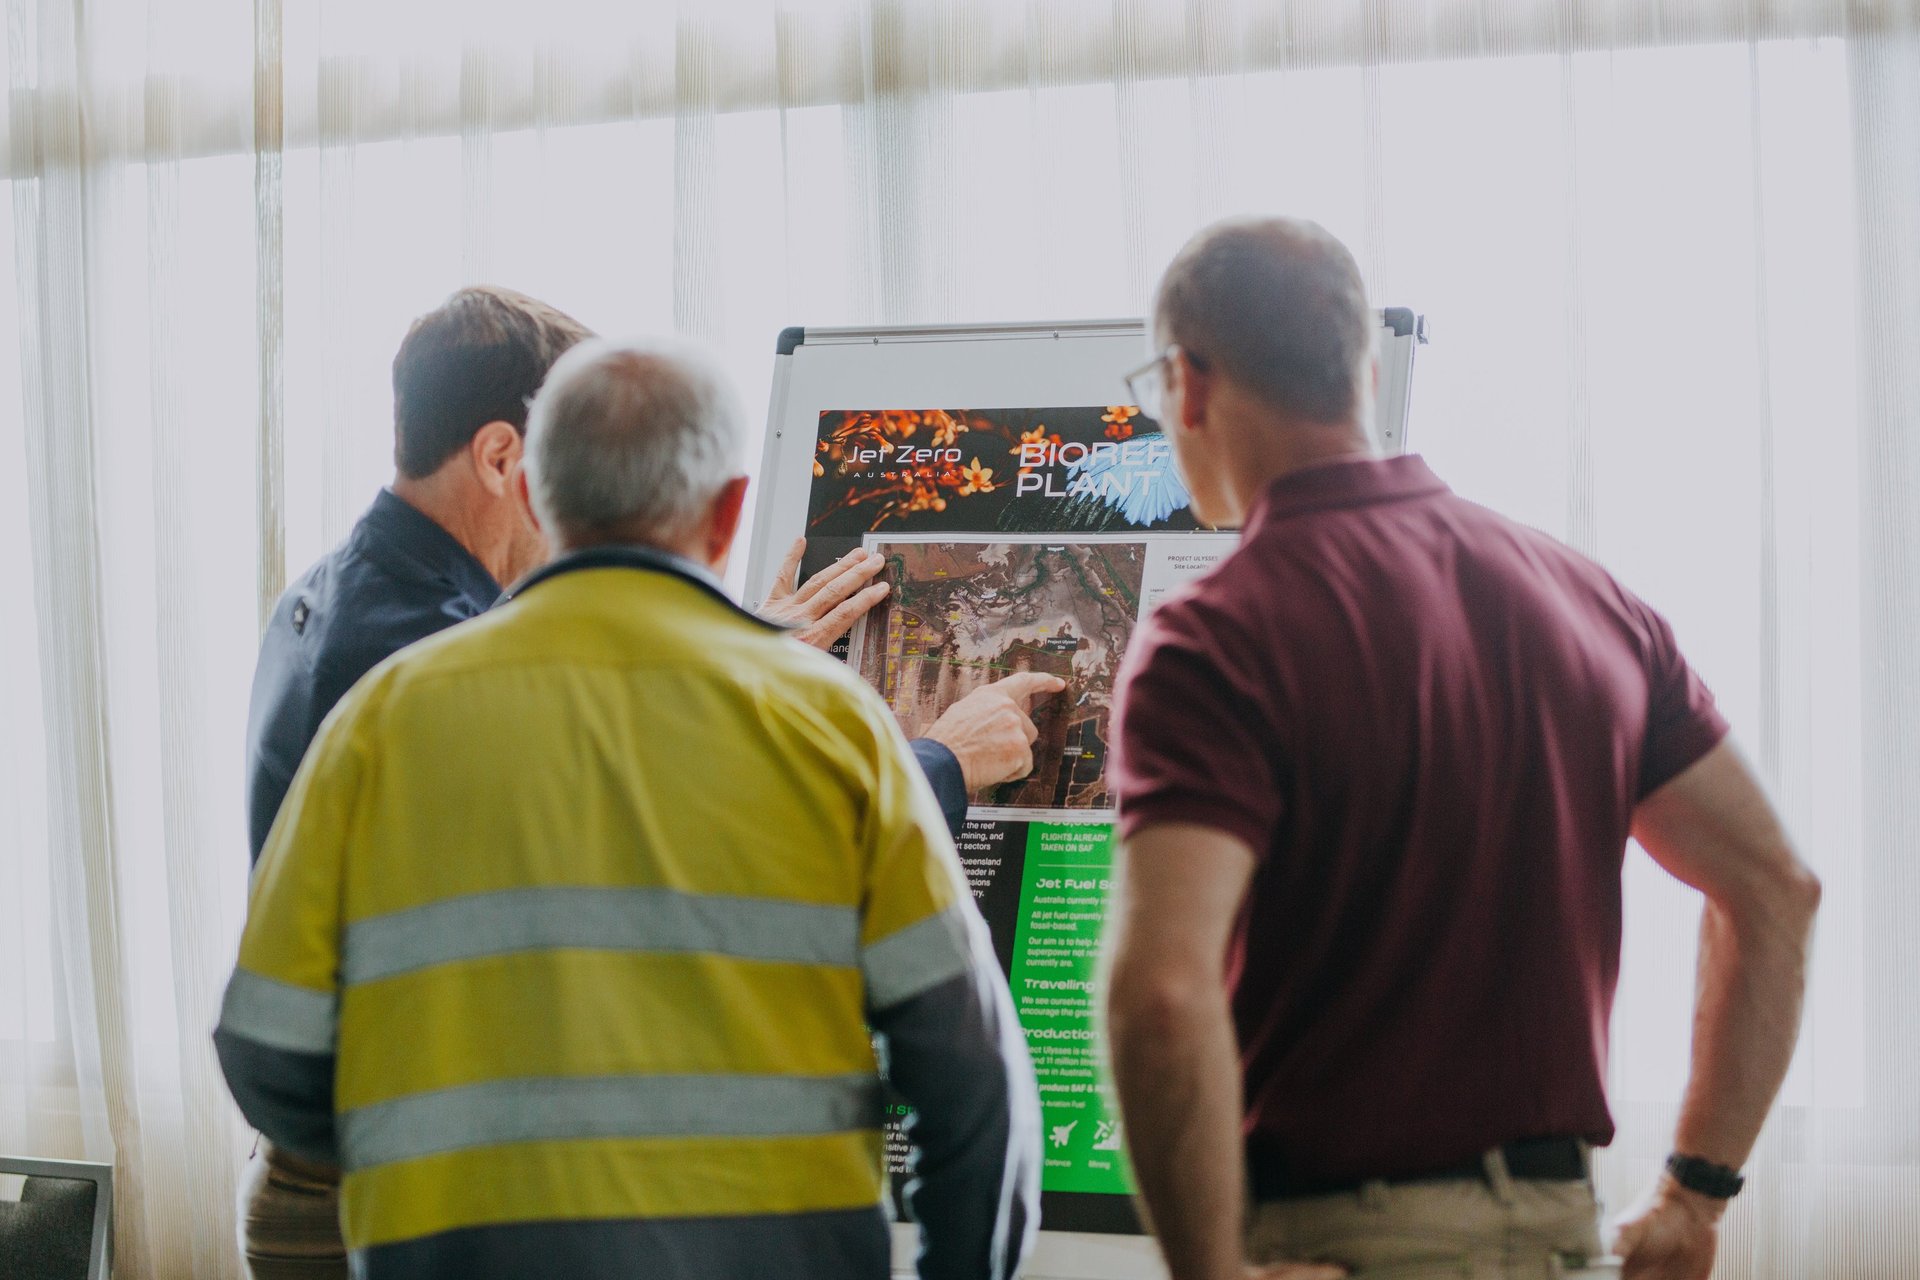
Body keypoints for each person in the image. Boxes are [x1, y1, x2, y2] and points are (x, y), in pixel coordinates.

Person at [237, 287, 1057, 1274]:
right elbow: (972, 1079)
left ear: (537, 488)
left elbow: (267, 1047)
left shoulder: (382, 706)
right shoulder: (833, 723)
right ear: (731, 513)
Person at [1100, 217, 1821, 1280]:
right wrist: (1694, 1194)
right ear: (1365, 366)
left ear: (1188, 386)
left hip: (1342, 1242)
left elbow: (1163, 990)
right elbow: (1776, 886)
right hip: (1556, 1235)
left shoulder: (1214, 636)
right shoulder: (1586, 599)